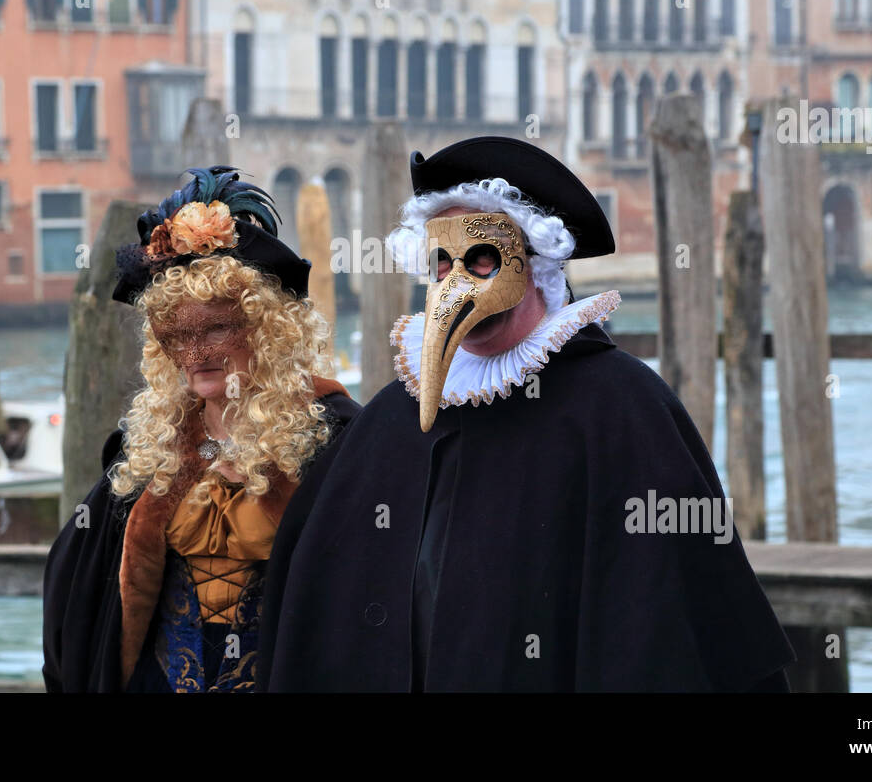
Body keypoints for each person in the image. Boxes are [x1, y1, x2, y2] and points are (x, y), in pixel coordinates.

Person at [258, 136, 796, 692]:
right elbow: (318, 602)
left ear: (534, 264)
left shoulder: (622, 410)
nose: (455, 280)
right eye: (442, 264)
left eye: (481, 259)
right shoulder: (393, 417)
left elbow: (668, 621)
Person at [42, 166, 359, 693]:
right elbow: (77, 589)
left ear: (266, 328)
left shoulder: (337, 439)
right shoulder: (147, 449)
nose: (194, 354)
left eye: (215, 327)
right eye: (176, 335)